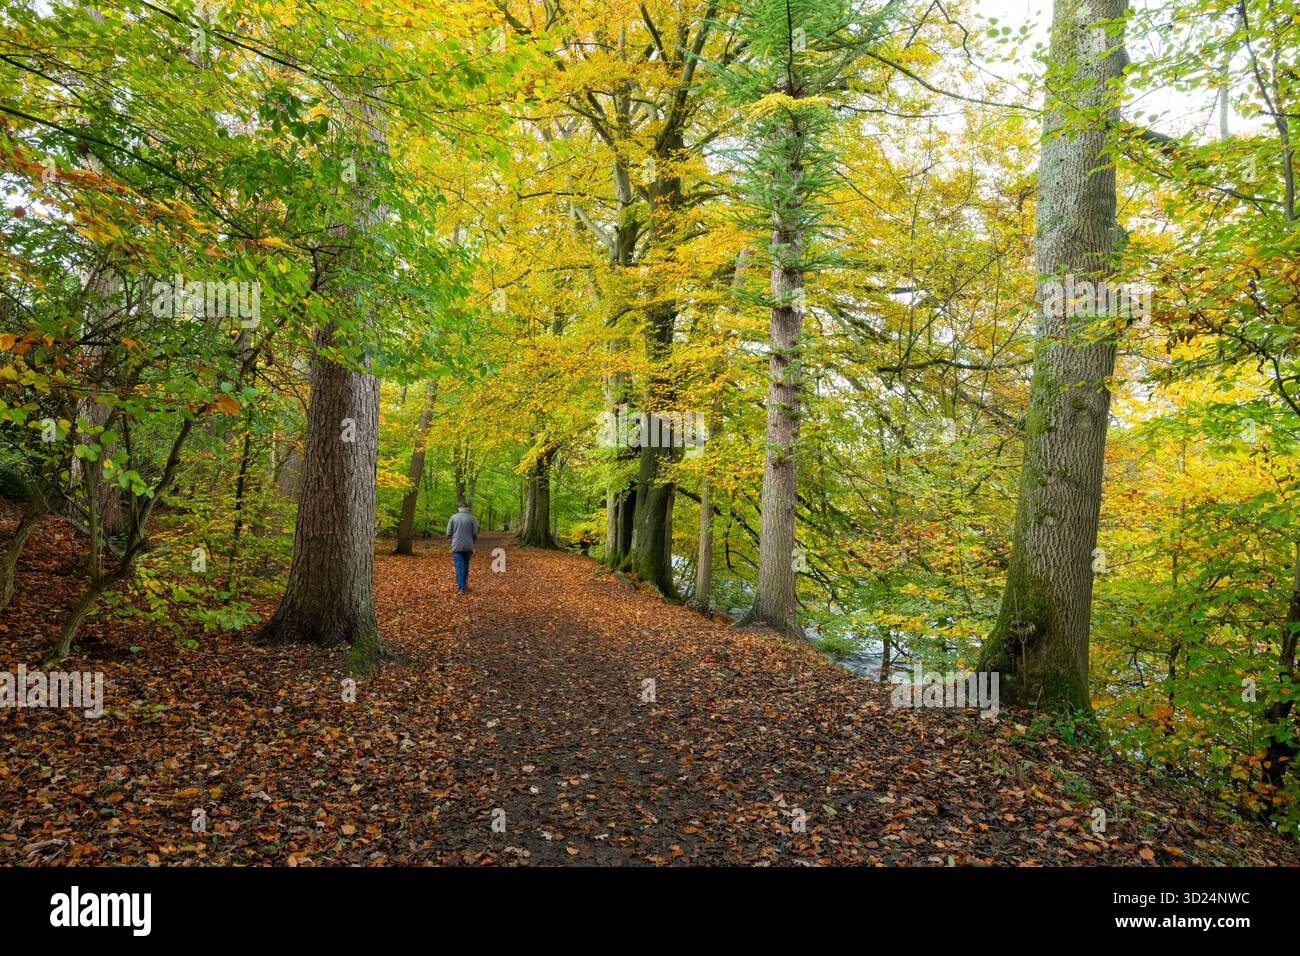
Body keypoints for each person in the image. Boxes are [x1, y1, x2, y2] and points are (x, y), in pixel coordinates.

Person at [445, 501, 479, 594]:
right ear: (467, 508)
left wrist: (450, 541)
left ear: (459, 508)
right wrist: (473, 541)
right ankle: (464, 585)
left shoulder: (453, 517)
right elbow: (475, 533)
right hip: (468, 546)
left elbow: (448, 533)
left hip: (456, 546)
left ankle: (461, 587)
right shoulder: (472, 518)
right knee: (466, 565)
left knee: (459, 566)